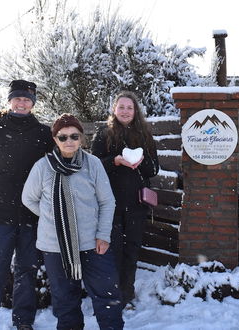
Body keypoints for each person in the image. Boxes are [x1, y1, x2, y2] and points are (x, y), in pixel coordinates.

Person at [22, 114, 124, 329]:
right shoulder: (42, 167)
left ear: (81, 138)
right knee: (65, 301)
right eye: (63, 137)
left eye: (74, 136)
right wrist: (55, 217)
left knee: (107, 296)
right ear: (55, 139)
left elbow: (107, 201)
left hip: (93, 244)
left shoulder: (93, 163)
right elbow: (28, 199)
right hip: (55, 246)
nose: (69, 141)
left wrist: (103, 235)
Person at [0, 80, 54, 330]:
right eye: (17, 98)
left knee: (26, 273)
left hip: (32, 217)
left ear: (33, 104)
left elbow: (53, 173)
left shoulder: (43, 134)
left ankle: (23, 323)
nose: (22, 103)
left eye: (27, 99)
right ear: (10, 101)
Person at [91, 91, 159, 310]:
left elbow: (154, 169)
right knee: (112, 250)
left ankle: (126, 296)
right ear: (114, 109)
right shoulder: (103, 134)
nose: (125, 111)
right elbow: (94, 166)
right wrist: (116, 161)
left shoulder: (145, 135)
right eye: (121, 107)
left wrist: (141, 161)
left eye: (129, 107)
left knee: (131, 250)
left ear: (135, 111)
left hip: (136, 205)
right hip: (110, 204)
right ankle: (111, 295)